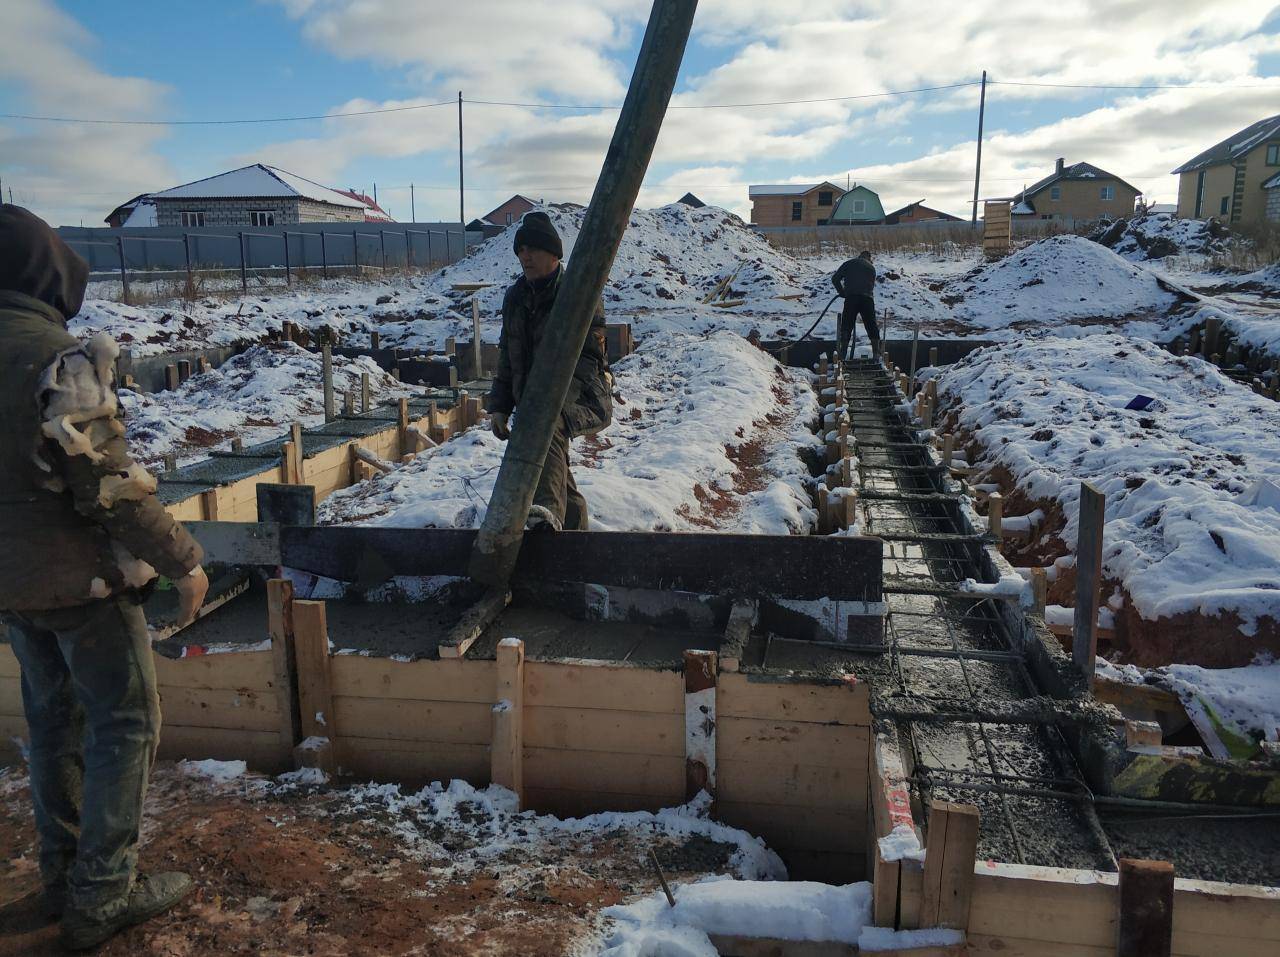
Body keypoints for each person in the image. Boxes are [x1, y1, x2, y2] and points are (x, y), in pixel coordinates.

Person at [0, 205, 207, 950]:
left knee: (52, 722)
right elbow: (108, 488)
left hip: (12, 587)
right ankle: (102, 894)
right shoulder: (59, 360)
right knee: (125, 721)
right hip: (79, 584)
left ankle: (62, 875)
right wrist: (184, 559)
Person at [488, 211, 612, 531]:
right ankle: (576, 545)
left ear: (553, 253)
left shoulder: (577, 293)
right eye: (521, 251)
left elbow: (590, 361)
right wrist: (500, 407)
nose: (524, 256)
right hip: (533, 404)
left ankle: (546, 525)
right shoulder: (515, 298)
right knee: (560, 478)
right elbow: (507, 356)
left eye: (532, 249)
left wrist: (550, 400)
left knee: (547, 425)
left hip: (583, 396)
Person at [832, 249, 879, 360]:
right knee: (871, 325)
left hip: (851, 298)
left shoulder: (849, 263)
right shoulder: (871, 268)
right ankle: (876, 354)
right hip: (867, 299)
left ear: (859, 256)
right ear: (869, 258)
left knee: (847, 325)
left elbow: (835, 279)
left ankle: (843, 353)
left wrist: (842, 292)